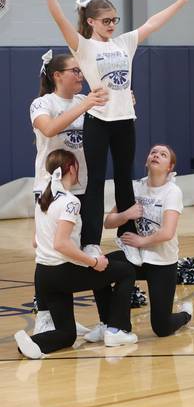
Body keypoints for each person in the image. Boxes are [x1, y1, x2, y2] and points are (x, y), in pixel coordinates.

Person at [37, 0, 189, 255]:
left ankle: (126, 237)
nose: (111, 25)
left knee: (124, 177)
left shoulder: (124, 43)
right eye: (105, 21)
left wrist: (179, 2)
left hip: (124, 121)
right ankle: (91, 242)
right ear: (91, 21)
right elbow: (61, 21)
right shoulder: (84, 46)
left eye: (114, 20)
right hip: (98, 122)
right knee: (95, 181)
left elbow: (152, 23)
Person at [14, 150, 137, 360]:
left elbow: (36, 241)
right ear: (71, 168)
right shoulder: (71, 202)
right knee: (125, 271)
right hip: (62, 274)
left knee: (67, 334)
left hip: (43, 275)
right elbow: (61, 244)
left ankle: (32, 343)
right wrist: (93, 261)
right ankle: (117, 329)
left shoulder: (43, 199)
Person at [29, 50, 107, 334]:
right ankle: (46, 315)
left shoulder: (84, 102)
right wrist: (85, 105)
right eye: (75, 70)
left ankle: (106, 323)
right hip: (50, 189)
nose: (80, 75)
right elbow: (49, 129)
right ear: (57, 75)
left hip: (83, 187)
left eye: (81, 70)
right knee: (49, 252)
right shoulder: (42, 103)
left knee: (88, 248)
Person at [100, 144, 192, 338]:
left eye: (163, 154)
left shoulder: (172, 192)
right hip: (136, 258)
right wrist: (126, 214)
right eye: (153, 152)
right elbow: (108, 222)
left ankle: (185, 314)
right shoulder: (135, 187)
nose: (156, 155)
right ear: (147, 161)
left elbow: (167, 232)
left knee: (162, 327)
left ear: (170, 167)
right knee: (99, 268)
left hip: (162, 261)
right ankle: (109, 325)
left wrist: (141, 241)